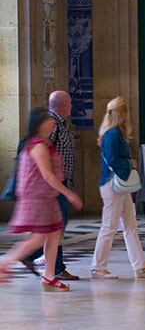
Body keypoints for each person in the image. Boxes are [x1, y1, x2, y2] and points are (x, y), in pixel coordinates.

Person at [0, 107, 82, 289]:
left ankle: (49, 276)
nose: (53, 122)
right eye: (48, 119)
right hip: (37, 199)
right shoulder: (38, 146)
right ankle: (4, 263)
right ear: (39, 124)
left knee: (54, 235)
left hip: (47, 198)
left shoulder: (44, 143)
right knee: (37, 239)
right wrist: (69, 193)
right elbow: (48, 175)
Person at [90, 97, 145, 279]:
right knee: (109, 226)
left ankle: (140, 266)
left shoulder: (114, 133)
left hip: (119, 185)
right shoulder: (113, 134)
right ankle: (98, 267)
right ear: (123, 114)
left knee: (130, 225)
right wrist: (130, 163)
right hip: (113, 184)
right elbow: (113, 160)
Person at [25, 90, 79, 280]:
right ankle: (53, 267)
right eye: (70, 103)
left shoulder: (60, 123)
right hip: (55, 185)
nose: (71, 106)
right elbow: (45, 153)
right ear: (64, 105)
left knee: (56, 227)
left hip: (60, 182)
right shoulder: (52, 123)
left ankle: (36, 259)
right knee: (57, 226)